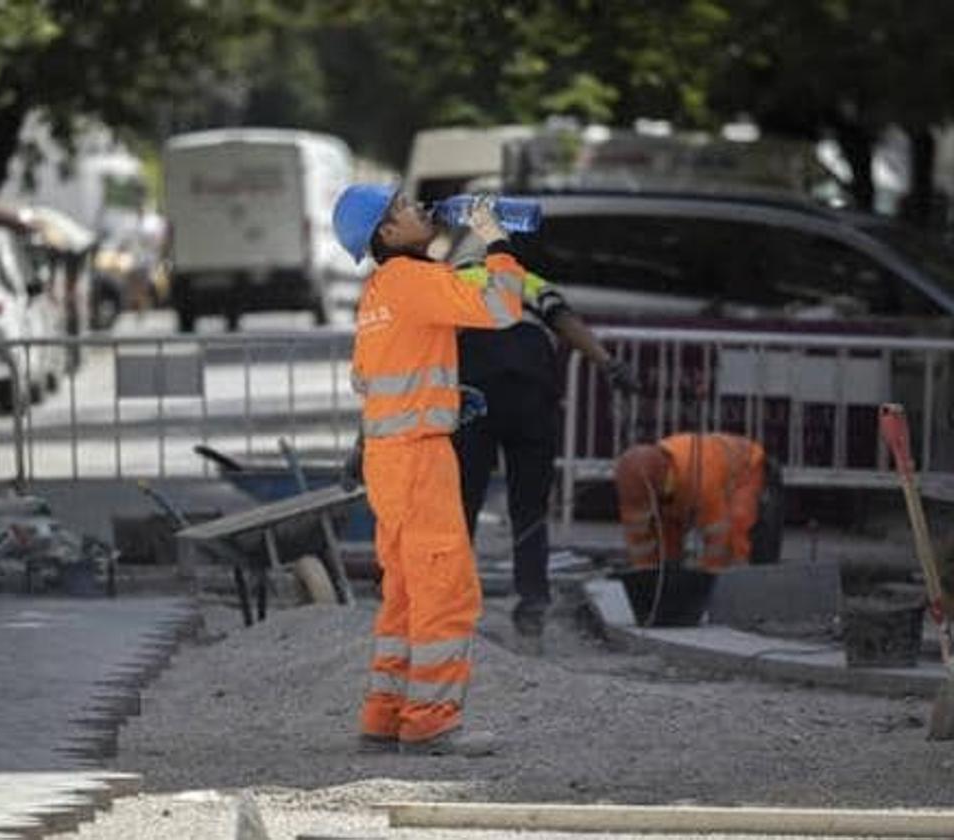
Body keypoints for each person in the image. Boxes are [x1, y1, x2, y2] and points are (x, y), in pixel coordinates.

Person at [332, 185, 527, 756]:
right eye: (405, 208)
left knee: (406, 595)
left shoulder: (377, 293)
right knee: (444, 590)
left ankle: (384, 714)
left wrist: (439, 393)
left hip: (389, 460)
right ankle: (431, 722)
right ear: (387, 234)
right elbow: (502, 306)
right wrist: (498, 243)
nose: (420, 209)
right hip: (420, 457)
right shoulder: (416, 281)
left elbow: (368, 380)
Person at [451, 260, 638, 645]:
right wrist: (608, 362)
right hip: (531, 394)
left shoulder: (448, 279)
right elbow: (565, 321)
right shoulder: (526, 281)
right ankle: (532, 611)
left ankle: (452, 612)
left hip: (474, 394)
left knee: (460, 508)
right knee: (530, 510)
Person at [613, 432, 784, 571]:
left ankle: (742, 581)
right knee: (667, 527)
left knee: (737, 527)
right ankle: (670, 576)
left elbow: (718, 536)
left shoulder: (699, 477)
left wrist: (710, 578)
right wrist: (647, 575)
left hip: (746, 468)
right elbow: (638, 541)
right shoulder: (634, 482)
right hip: (683, 484)